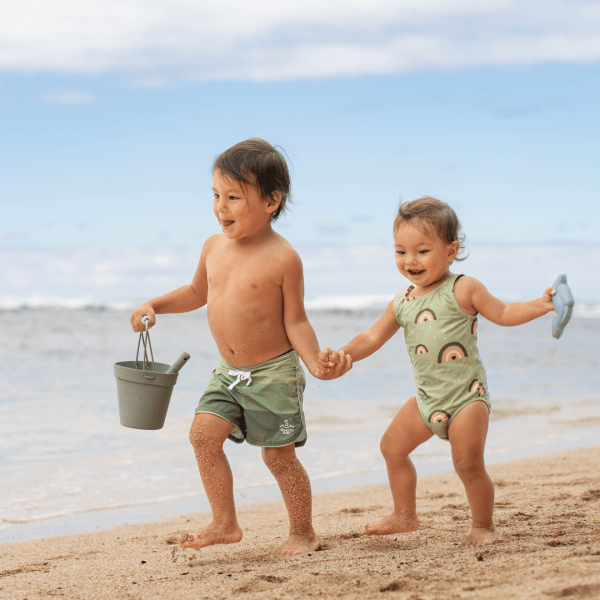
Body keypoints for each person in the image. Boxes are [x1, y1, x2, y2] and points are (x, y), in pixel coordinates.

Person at [130, 139, 350, 556]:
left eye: (233, 197)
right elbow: (197, 292)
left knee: (278, 459)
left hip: (274, 374)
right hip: (228, 374)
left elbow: (296, 320)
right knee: (202, 436)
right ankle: (225, 523)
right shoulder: (213, 247)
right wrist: (154, 304)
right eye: (216, 195)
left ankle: (302, 531)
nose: (221, 207)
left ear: (271, 201)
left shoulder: (283, 258)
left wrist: (315, 363)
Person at [318, 196, 556, 547]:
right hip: (427, 400)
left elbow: (504, 314)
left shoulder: (463, 288)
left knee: (467, 464)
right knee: (391, 448)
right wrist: (344, 354)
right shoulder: (402, 300)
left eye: (422, 251)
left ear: (450, 250)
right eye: (401, 252)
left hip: (466, 398)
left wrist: (541, 304)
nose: (410, 261)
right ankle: (404, 515)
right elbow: (371, 336)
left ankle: (483, 526)